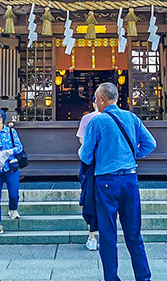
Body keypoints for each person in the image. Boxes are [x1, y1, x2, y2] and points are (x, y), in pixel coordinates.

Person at [79, 82, 157, 281]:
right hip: (130, 179)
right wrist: (132, 155)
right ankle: (143, 277)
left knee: (108, 234)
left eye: (96, 98)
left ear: (103, 99)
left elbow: (86, 156)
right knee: (133, 234)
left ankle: (112, 278)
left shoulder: (97, 122)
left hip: (106, 182)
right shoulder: (132, 117)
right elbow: (151, 143)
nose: (95, 102)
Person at [0, 109, 23, 236]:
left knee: (14, 194)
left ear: (0, 120)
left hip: (10, 168)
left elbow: (19, 148)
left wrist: (8, 152)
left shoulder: (11, 132)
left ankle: (13, 209)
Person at [76, 102, 100, 251]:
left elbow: (82, 140)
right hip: (112, 166)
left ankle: (92, 237)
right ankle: (107, 236)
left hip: (91, 164)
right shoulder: (120, 118)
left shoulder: (88, 118)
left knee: (90, 198)